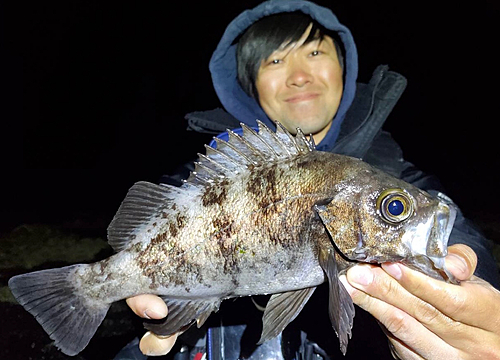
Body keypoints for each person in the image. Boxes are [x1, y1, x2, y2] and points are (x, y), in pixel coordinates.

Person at [122, 0, 500, 358]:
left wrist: (474, 289)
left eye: (315, 52)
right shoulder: (198, 178)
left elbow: (462, 241)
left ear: (345, 69)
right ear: (250, 83)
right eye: (275, 60)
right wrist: (155, 301)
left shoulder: (392, 168)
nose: (299, 76)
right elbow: (151, 225)